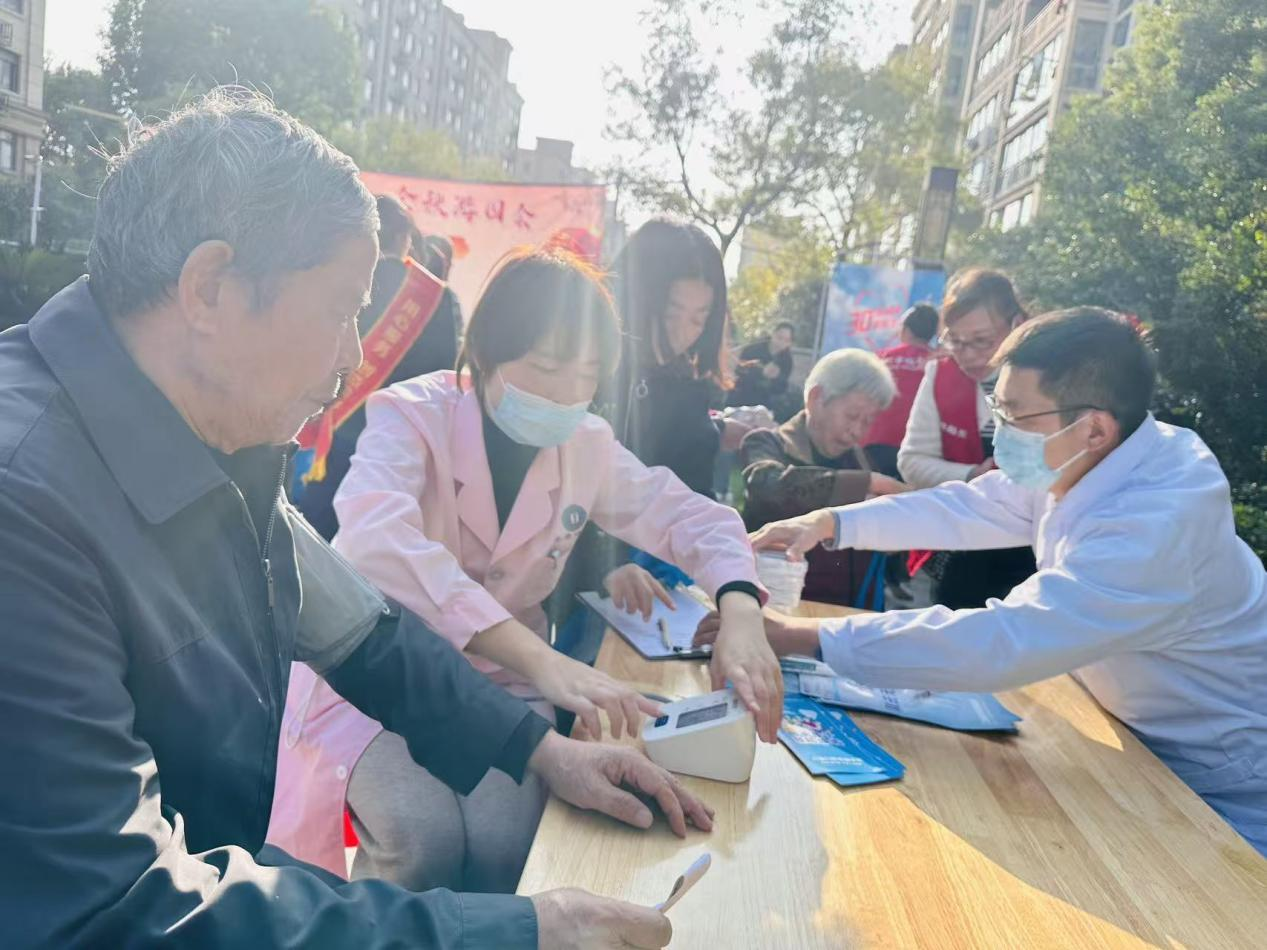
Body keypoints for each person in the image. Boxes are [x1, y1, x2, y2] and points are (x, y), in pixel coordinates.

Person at [0, 89, 714, 949]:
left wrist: (542, 750)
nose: (352, 358)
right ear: (209, 287)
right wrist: (512, 933)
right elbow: (116, 906)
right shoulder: (25, 510)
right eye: (342, 311)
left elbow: (366, 637)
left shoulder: (205, 443)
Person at [271, 247, 780, 892]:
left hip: (504, 682)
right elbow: (376, 541)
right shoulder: (411, 414)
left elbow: (688, 517)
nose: (566, 394)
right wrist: (543, 661)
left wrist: (741, 613)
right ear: (486, 352)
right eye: (545, 367)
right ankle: (379, 931)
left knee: (505, 840)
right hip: (382, 675)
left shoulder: (586, 444)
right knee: (419, 833)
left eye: (587, 374)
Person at [730, 308, 1267, 857]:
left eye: (1015, 415)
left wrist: (805, 637)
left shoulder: (1156, 524)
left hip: (1220, 780)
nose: (1000, 432)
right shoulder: (1088, 455)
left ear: (1094, 427)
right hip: (1128, 740)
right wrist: (831, 522)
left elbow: (1004, 639)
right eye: (998, 408)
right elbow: (971, 506)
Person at [297, 197, 459, 540]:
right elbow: (443, 378)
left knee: (315, 533)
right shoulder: (435, 296)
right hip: (400, 443)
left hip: (334, 429)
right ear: (403, 238)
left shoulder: (337, 280)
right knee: (377, 535)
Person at [897, 268, 1035, 608]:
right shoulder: (939, 375)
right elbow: (911, 461)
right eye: (956, 341)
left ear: (1016, 324)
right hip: (963, 546)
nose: (968, 354)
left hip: (1034, 548)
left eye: (982, 340)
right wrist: (972, 475)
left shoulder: (1047, 376)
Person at [740, 349, 907, 607]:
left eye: (868, 421)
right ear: (816, 398)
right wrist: (863, 486)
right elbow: (768, 484)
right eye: (852, 416)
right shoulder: (766, 444)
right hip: (771, 609)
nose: (857, 431)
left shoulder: (864, 463)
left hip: (840, 617)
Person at [864, 303, 939, 478]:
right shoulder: (939, 363)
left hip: (873, 444)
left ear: (905, 330)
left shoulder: (881, 359)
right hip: (916, 452)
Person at [728, 321, 796, 414]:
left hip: (765, 403)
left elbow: (781, 389)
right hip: (742, 397)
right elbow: (739, 371)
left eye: (786, 340)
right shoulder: (754, 349)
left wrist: (776, 378)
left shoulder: (787, 360)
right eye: (779, 337)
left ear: (790, 343)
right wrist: (761, 372)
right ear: (773, 334)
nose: (781, 343)